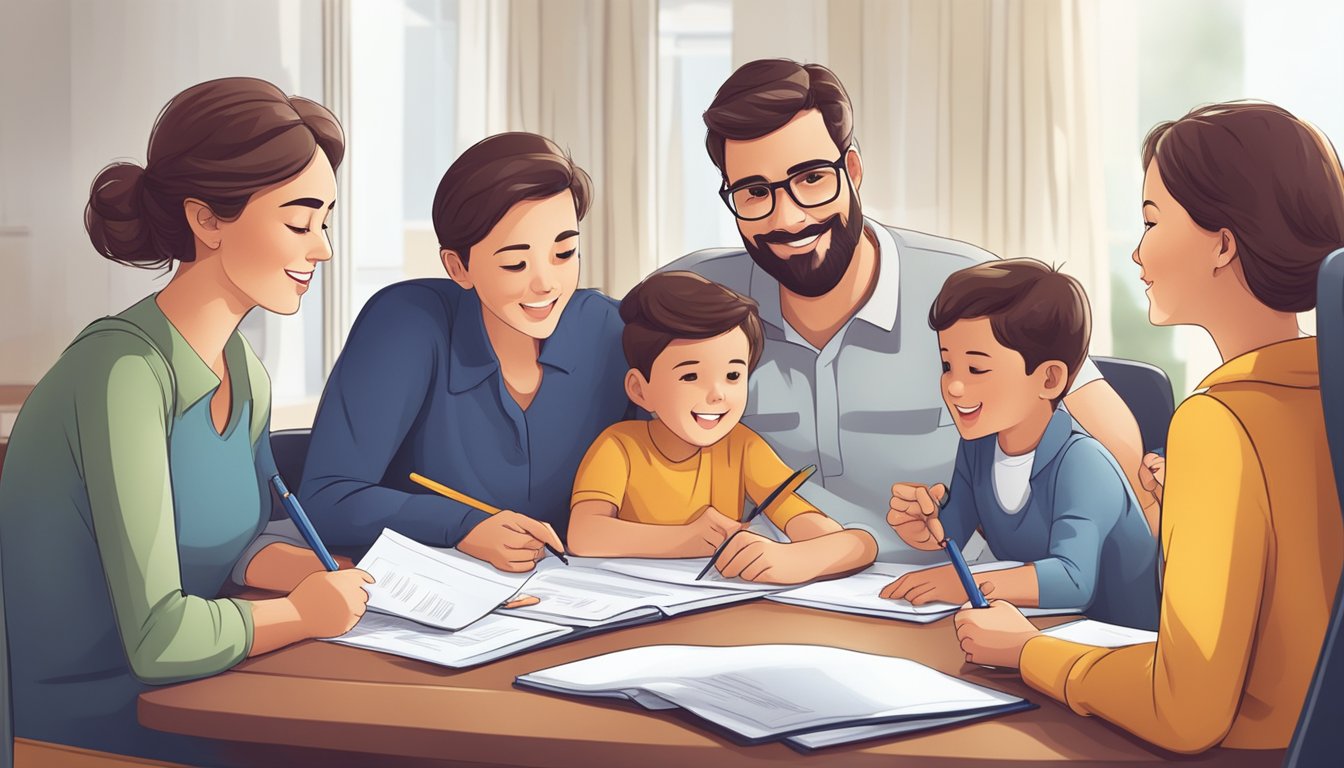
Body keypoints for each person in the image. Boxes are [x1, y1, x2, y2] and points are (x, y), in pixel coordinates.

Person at [0, 78, 373, 763]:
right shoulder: (121, 375)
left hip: (207, 682)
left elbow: (239, 543)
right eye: (299, 222)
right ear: (207, 221)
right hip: (94, 712)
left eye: (325, 222)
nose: (320, 249)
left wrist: (306, 571)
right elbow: (158, 637)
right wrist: (304, 612)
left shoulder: (243, 368)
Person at [954, 101, 1344, 753]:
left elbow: (1187, 712)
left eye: (1151, 220)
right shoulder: (1319, 390)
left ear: (1223, 243)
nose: (1136, 252)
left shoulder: (1219, 423)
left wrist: (1031, 653)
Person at [663, 59, 1154, 562]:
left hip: (947, 602)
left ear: (852, 170)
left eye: (811, 178)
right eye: (754, 193)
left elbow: (1110, 451)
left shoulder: (970, 292)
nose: (788, 218)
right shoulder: (693, 299)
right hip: (750, 595)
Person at [302, 133, 628, 571]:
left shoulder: (610, 330)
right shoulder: (406, 325)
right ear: (458, 267)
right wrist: (462, 526)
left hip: (581, 593)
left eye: (565, 253)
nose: (546, 283)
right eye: (515, 263)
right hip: (435, 598)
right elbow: (327, 498)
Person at [883, 260, 1158, 630]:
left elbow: (1074, 579)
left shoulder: (1084, 463)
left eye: (976, 369)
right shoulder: (978, 447)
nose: (954, 386)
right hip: (1037, 630)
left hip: (1115, 647)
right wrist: (926, 526)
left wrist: (966, 584)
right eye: (947, 365)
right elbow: (954, 529)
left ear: (1049, 378)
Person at [567, 271, 878, 583]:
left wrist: (795, 560)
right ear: (639, 390)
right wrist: (686, 539)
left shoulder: (742, 447)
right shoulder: (619, 446)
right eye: (690, 376)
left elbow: (849, 543)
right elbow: (584, 534)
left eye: (732, 376)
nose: (717, 394)